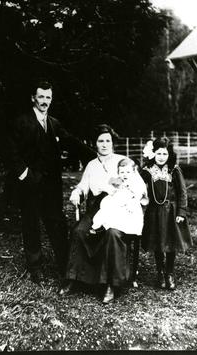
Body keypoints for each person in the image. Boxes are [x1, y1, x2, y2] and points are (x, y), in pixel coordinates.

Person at [4, 79, 95, 284]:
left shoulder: (54, 123)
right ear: (33, 98)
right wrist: (25, 174)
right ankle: (35, 268)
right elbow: (10, 151)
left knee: (57, 223)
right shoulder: (21, 122)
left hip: (52, 186)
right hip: (29, 184)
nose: (45, 101)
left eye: (48, 97)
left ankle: (64, 266)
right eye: (41, 97)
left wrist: (97, 156)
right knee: (31, 223)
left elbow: (71, 142)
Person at [62, 124, 147, 304]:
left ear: (113, 143)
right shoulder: (92, 165)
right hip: (97, 206)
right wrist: (77, 192)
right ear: (96, 143)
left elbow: (138, 186)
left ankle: (110, 284)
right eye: (101, 141)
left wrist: (131, 199)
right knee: (79, 231)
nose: (104, 144)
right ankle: (74, 278)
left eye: (108, 141)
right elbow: (84, 185)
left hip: (120, 206)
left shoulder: (123, 161)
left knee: (112, 234)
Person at [141, 137, 193, 290]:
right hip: (154, 212)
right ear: (153, 154)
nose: (162, 157)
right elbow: (136, 183)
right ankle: (160, 272)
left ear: (169, 154)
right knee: (158, 243)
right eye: (158, 153)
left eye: (164, 153)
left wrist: (181, 212)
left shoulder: (174, 170)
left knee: (170, 243)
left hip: (171, 211)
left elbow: (182, 192)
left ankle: (169, 273)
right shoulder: (147, 170)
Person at [90, 158, 148, 236]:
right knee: (106, 209)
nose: (124, 174)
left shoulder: (136, 183)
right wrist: (112, 187)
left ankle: (119, 229)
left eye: (128, 172)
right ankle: (100, 226)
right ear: (118, 173)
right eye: (122, 172)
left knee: (121, 215)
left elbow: (139, 195)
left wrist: (132, 201)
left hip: (130, 207)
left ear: (133, 172)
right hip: (118, 203)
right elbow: (108, 184)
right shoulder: (119, 181)